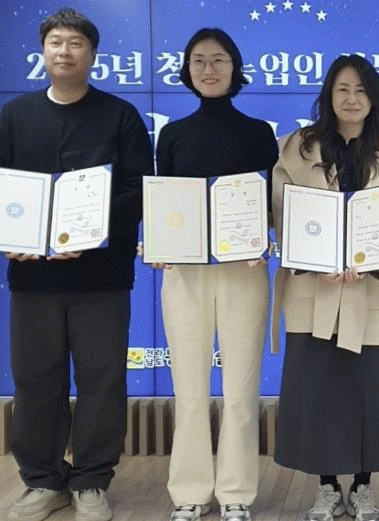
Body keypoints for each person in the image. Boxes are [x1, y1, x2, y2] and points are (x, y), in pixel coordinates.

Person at [0, 8, 153, 521]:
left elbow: (137, 191)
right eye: (56, 42)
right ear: (42, 51)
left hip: (101, 277)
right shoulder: (15, 116)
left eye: (75, 43)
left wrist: (87, 236)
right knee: (35, 380)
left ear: (93, 54)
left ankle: (90, 480)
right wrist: (10, 238)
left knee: (102, 380)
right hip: (32, 277)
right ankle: (43, 481)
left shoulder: (120, 116)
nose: (64, 51)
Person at [271, 54, 379, 521]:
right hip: (313, 289)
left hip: (370, 289)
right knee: (318, 389)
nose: (352, 99)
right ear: (328, 96)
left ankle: (362, 487)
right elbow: (281, 211)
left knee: (371, 392)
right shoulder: (297, 148)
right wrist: (311, 260)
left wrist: (372, 263)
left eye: (361, 90)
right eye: (342, 89)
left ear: (374, 98)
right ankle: (326, 487)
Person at [153, 28, 278, 521]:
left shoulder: (259, 133)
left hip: (244, 272)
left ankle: (236, 494)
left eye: (219, 60)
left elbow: (270, 206)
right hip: (185, 274)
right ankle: (189, 491)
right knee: (188, 387)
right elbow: (166, 205)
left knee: (241, 388)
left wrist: (265, 236)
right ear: (187, 70)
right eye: (199, 60)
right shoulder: (172, 135)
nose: (209, 69)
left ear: (234, 67)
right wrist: (158, 242)